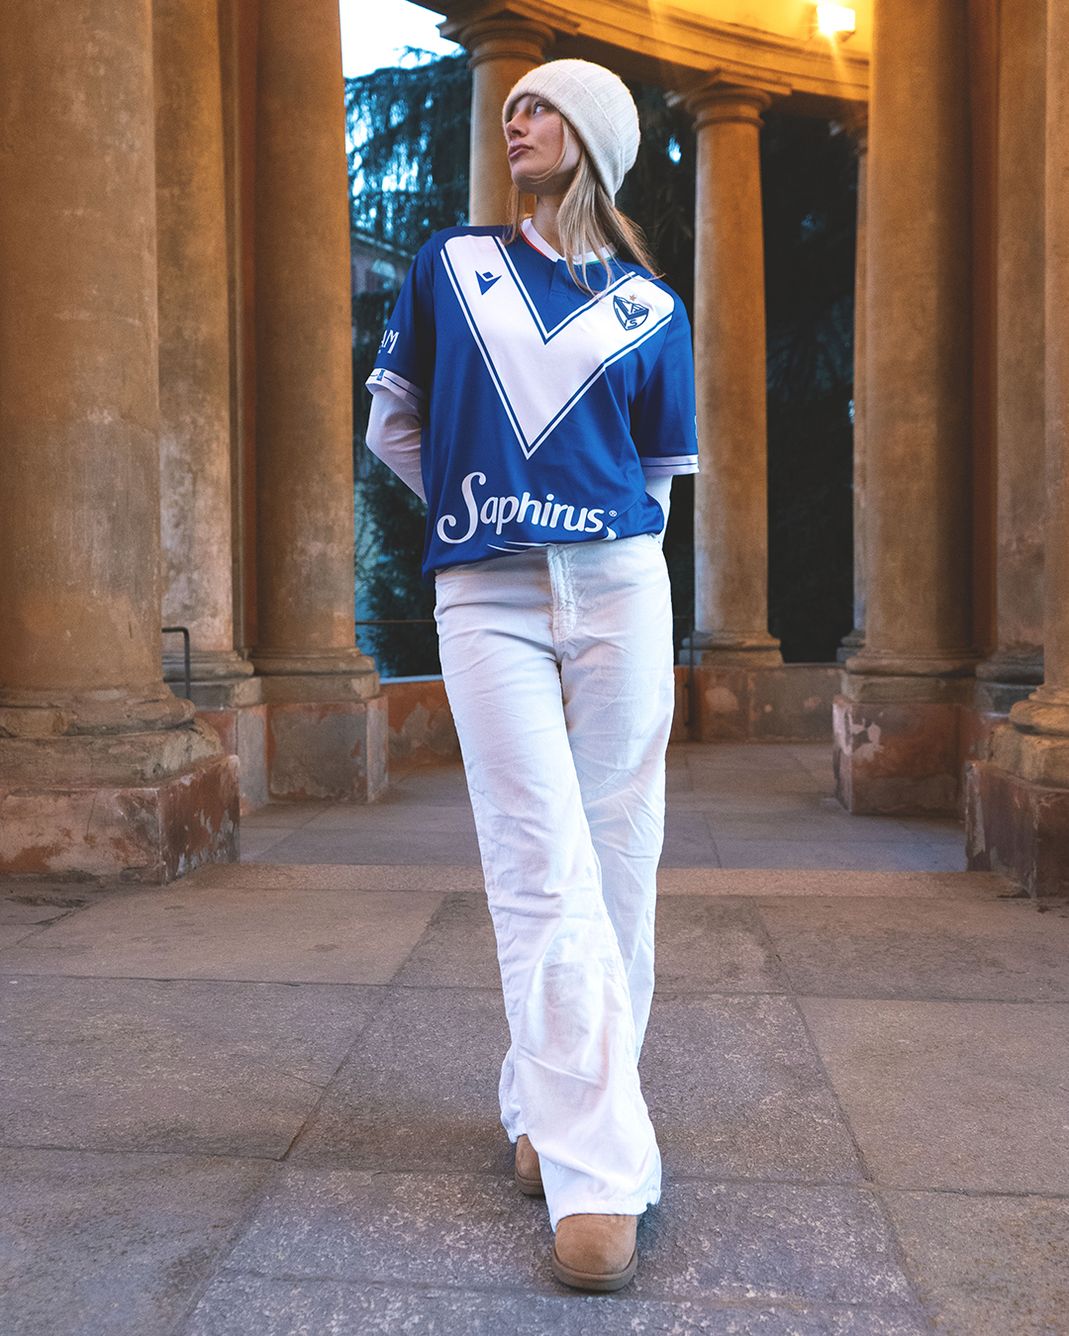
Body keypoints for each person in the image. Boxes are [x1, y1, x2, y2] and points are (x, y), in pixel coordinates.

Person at [364, 57, 698, 1293]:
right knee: (537, 857)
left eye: (543, 105)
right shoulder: (453, 266)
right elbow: (395, 424)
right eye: (513, 105)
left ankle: (543, 1108)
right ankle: (599, 1173)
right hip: (487, 591)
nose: (516, 117)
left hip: (618, 586)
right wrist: (477, 513)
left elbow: (653, 482)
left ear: (596, 139)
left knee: (617, 855)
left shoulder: (651, 308)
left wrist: (590, 545)